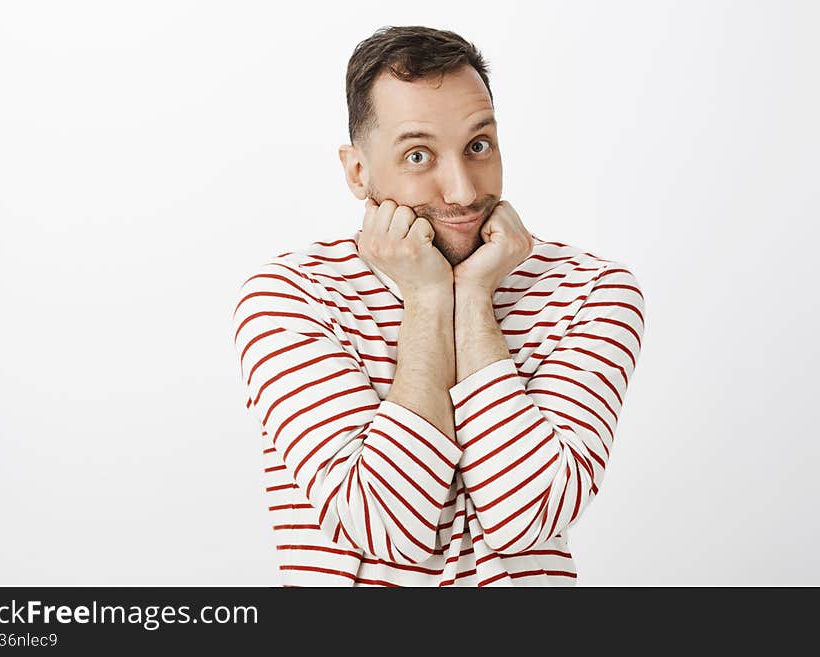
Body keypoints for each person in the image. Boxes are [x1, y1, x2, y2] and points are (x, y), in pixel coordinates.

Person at [231, 25, 646, 586]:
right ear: (358, 172)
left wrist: (471, 298)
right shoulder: (291, 297)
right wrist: (428, 300)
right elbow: (387, 526)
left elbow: (529, 518)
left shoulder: (591, 291)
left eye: (479, 146)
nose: (461, 191)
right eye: (419, 155)